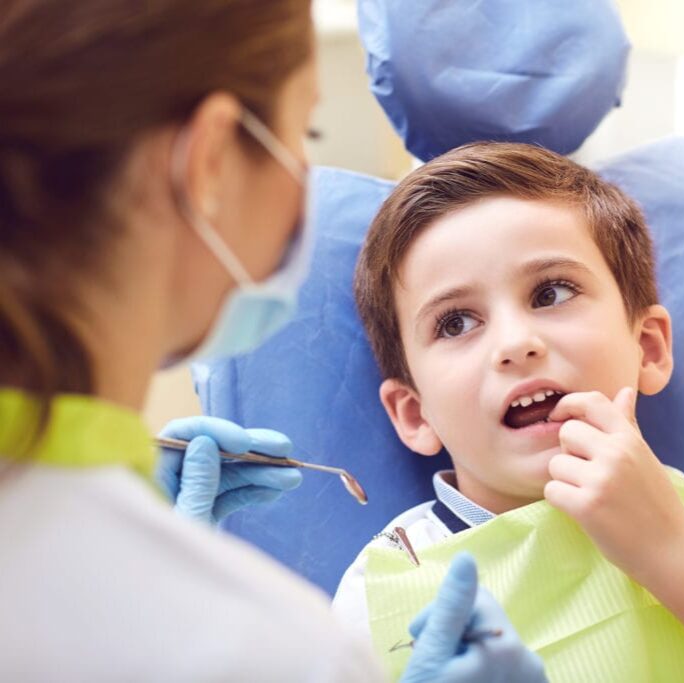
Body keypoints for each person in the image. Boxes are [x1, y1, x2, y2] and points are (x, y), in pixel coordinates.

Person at [0, 2, 545, 680]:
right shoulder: (275, 650)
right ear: (211, 165)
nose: (518, 342)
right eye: (303, 131)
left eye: (551, 294)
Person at [334, 141, 684, 681]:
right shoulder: (388, 581)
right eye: (455, 322)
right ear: (415, 414)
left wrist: (672, 552)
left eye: (551, 293)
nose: (515, 341)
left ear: (648, 347)